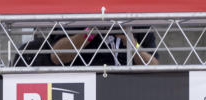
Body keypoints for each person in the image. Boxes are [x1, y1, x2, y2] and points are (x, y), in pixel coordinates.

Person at [13, 26, 159, 67]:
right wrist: (91, 31)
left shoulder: (138, 20)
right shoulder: (78, 13)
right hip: (82, 84)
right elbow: (56, 56)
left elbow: (154, 65)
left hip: (125, 86)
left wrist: (131, 43)